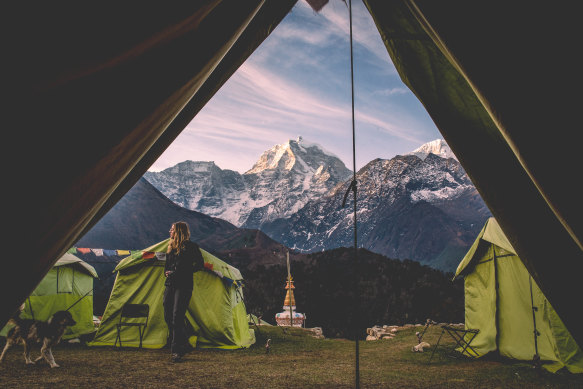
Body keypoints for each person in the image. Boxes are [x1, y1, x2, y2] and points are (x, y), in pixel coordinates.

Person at [163, 221, 204, 363]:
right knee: (167, 314)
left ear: (179, 231)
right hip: (170, 284)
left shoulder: (191, 247)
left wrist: (184, 272)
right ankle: (184, 342)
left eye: (172, 229)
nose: (170, 231)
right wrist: (167, 273)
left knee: (177, 316)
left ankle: (176, 350)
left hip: (184, 285)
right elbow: (167, 265)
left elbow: (199, 265)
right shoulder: (170, 248)